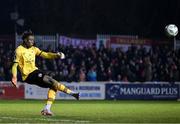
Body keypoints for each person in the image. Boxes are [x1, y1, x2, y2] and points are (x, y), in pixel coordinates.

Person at [11, 30, 79, 116]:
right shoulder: (19, 50)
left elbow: (46, 55)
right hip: (28, 75)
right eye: (30, 40)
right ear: (25, 40)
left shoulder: (34, 49)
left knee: (53, 86)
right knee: (51, 80)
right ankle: (72, 93)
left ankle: (47, 109)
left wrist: (56, 55)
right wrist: (14, 77)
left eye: (33, 40)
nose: (32, 41)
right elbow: (14, 66)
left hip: (35, 72)